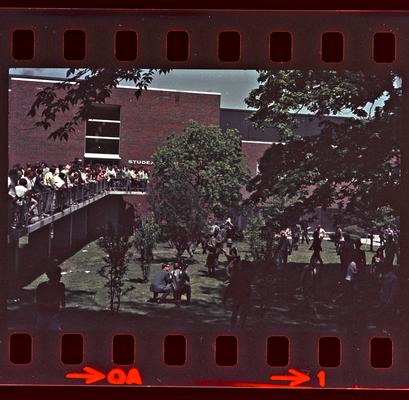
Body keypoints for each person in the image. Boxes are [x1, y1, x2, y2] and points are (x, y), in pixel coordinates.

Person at [223, 260, 253, 328]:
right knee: (243, 312)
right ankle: (241, 326)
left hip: (238, 295)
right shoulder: (248, 274)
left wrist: (225, 297)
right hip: (246, 295)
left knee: (235, 311)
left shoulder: (235, 274)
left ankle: (233, 326)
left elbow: (230, 286)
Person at [35, 266, 66, 331]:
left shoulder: (60, 286)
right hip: (44, 313)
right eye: (58, 274)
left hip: (51, 314)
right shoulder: (43, 286)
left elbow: (62, 300)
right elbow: (38, 300)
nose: (60, 276)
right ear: (53, 276)